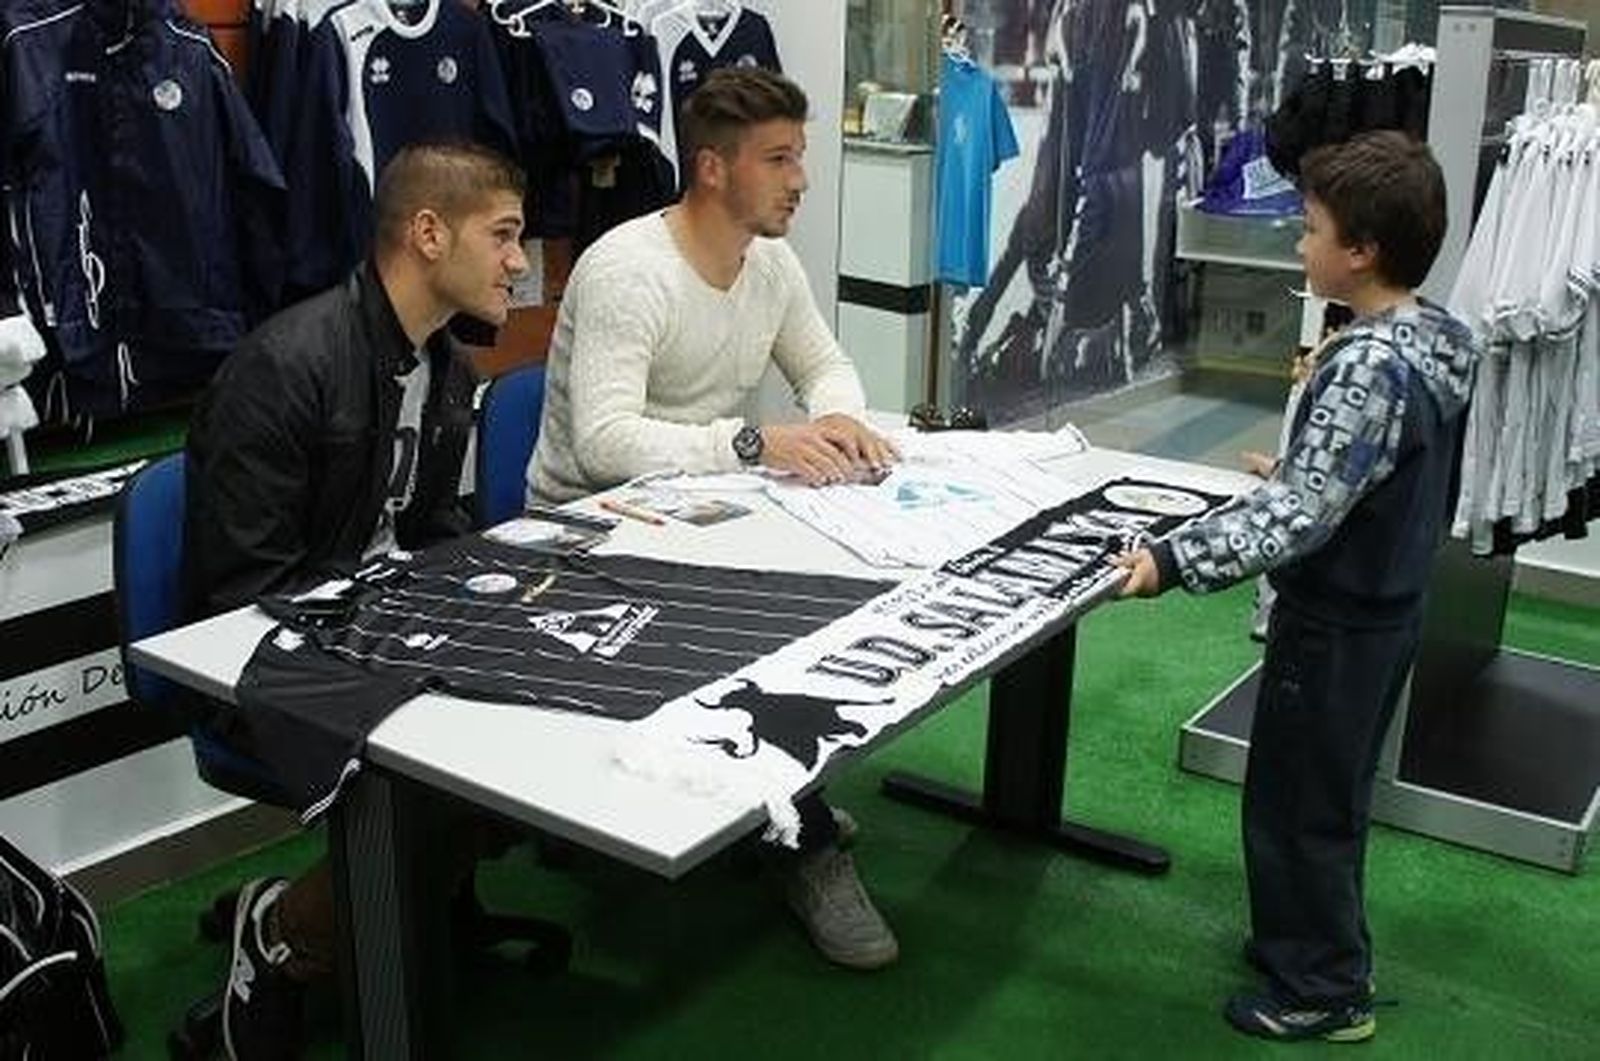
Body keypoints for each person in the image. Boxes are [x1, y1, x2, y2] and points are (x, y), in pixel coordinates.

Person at [526, 67, 900, 971]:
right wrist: (751, 445)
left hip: (700, 516)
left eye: (798, 157)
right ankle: (802, 839)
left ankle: (768, 796)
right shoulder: (628, 270)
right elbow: (606, 441)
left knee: (845, 594)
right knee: (775, 641)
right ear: (712, 169)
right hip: (588, 534)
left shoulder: (767, 262)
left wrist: (840, 416)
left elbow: (824, 366)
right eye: (778, 159)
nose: (799, 180)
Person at [1114, 131, 1477, 1042]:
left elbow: (1302, 518)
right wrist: (1308, 463)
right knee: (1324, 789)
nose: (1298, 244)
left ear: (1361, 251)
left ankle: (1322, 983)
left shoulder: (1366, 363)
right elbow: (1376, 472)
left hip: (1335, 622)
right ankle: (1298, 941)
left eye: (1310, 230)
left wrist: (1172, 558)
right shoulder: (1437, 336)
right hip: (1386, 613)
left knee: (1299, 803)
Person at [185, 141, 530, 1060]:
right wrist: (407, 640)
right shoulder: (285, 367)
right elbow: (245, 598)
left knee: (550, 711)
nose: (519, 261)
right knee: (439, 775)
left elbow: (437, 532)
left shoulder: (447, 367)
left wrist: (497, 602)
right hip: (268, 657)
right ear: (427, 233)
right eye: (501, 235)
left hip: (378, 632)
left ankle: (418, 913)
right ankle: (282, 935)